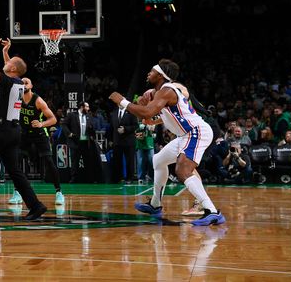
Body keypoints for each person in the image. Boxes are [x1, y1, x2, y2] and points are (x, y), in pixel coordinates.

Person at [109, 59, 226, 226]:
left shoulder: (168, 90)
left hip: (196, 132)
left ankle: (212, 211)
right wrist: (145, 113)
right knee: (158, 160)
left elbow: (148, 111)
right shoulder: (158, 93)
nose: (149, 73)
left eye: (152, 71)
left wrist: (123, 101)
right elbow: (148, 115)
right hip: (184, 135)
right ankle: (155, 205)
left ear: (161, 75)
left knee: (182, 170)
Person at [0, 36, 47, 221]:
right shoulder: (19, 83)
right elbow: (11, 70)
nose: (7, 63)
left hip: (1, 129)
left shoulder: (8, 82)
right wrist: (5, 53)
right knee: (14, 170)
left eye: (9, 63)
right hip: (14, 131)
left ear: (12, 69)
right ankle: (36, 206)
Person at [10, 74, 64, 206]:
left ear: (31, 86)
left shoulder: (38, 101)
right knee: (17, 163)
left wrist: (41, 124)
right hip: (24, 134)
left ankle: (59, 192)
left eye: (26, 82)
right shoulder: (17, 98)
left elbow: (53, 119)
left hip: (39, 134)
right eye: (22, 83)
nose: (24, 84)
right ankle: (17, 192)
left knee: (49, 162)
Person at [65, 102, 98, 183]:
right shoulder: (72, 115)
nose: (88, 108)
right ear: (82, 107)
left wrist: (92, 134)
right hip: (75, 142)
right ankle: (73, 178)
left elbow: (92, 128)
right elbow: (64, 124)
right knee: (75, 162)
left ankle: (89, 178)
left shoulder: (89, 116)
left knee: (88, 161)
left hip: (86, 143)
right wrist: (69, 133)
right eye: (87, 107)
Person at [110, 101, 137, 183]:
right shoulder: (113, 113)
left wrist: (125, 129)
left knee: (129, 161)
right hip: (117, 141)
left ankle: (130, 178)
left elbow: (136, 126)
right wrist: (111, 140)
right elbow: (111, 128)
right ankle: (118, 178)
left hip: (128, 141)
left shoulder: (131, 112)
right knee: (117, 161)